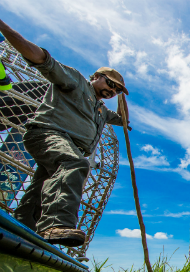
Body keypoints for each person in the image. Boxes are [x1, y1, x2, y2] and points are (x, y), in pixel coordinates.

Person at [0, 19, 130, 247]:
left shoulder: (101, 110)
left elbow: (124, 121)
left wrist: (121, 97)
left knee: (40, 191)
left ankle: (23, 233)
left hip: (66, 145)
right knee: (74, 163)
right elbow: (41, 59)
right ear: (96, 76)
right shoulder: (76, 81)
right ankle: (55, 223)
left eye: (116, 89)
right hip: (48, 134)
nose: (111, 90)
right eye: (109, 83)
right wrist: (5, 28)